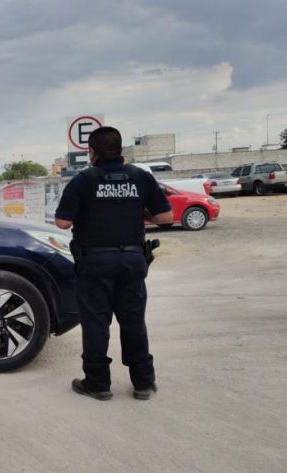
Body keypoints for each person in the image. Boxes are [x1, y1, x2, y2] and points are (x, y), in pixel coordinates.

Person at [54, 126, 173, 401]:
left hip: (95, 262)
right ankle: (143, 383)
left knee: (96, 323)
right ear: (120, 150)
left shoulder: (83, 180)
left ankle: (98, 384)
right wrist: (138, 211)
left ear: (91, 152)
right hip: (132, 260)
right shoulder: (141, 177)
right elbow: (165, 217)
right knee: (133, 322)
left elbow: (62, 222)